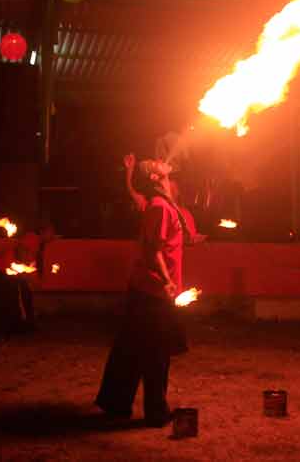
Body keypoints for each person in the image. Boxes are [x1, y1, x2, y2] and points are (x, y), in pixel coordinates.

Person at [95, 157, 189, 425]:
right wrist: (167, 280)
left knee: (132, 348)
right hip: (153, 292)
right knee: (157, 353)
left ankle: (115, 403)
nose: (162, 161)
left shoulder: (165, 206)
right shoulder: (159, 207)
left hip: (149, 290)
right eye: (155, 163)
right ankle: (155, 412)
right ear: (154, 178)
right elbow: (151, 251)